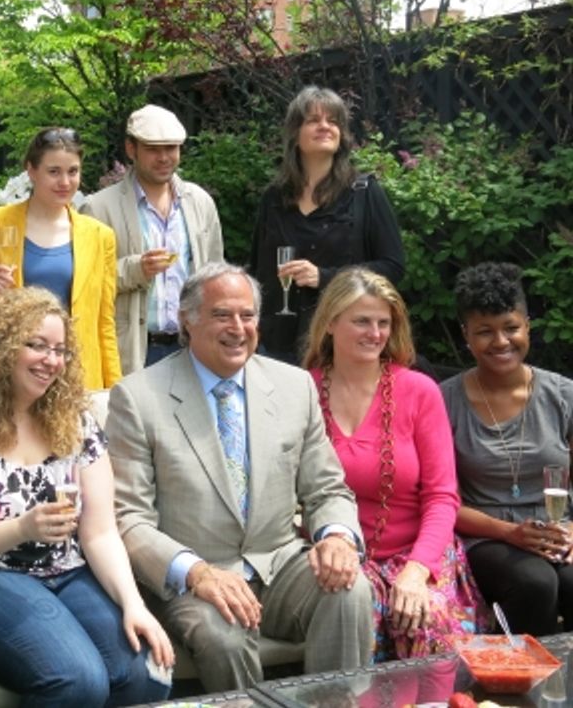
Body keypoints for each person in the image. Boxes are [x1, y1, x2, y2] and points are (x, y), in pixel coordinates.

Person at [106, 262, 373, 693]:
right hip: (195, 575)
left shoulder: (294, 386)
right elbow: (127, 519)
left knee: (349, 590)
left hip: (278, 563)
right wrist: (197, 572)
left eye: (247, 316)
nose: (238, 327)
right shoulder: (138, 398)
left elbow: (327, 488)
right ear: (186, 321)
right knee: (223, 636)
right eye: (222, 315)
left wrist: (338, 537)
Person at [0, 286, 174, 706]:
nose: (51, 360)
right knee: (76, 680)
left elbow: (101, 533)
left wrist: (133, 604)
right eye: (36, 345)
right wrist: (22, 528)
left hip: (66, 569)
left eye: (60, 350)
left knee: (147, 672)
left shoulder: (75, 423)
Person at [303, 268, 486, 661]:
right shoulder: (300, 390)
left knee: (426, 619)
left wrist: (418, 571)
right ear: (331, 322)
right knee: (354, 619)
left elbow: (442, 497)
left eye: (384, 323)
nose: (375, 333)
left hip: (418, 552)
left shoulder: (418, 391)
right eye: (362, 321)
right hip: (340, 554)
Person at [440, 262, 573, 636]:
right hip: (487, 535)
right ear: (466, 335)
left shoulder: (563, 396)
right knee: (536, 583)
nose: (501, 342)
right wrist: (510, 532)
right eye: (485, 332)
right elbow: (443, 499)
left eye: (511, 328)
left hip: (559, 530)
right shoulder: (444, 402)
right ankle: (524, 688)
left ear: (527, 325)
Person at [249, 86, 405, 364]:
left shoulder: (363, 192)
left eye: (333, 121)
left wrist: (325, 276)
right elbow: (257, 270)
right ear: (295, 134)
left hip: (340, 344)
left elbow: (392, 267)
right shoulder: (273, 198)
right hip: (277, 344)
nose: (324, 127)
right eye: (313, 120)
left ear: (342, 134)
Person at [0, 128, 122, 390]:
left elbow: (104, 323)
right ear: (31, 171)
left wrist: (114, 388)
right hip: (10, 372)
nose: (65, 182)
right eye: (54, 171)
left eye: (73, 171)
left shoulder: (100, 236)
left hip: (75, 375)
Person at [83, 105, 225, 373]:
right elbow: (85, 284)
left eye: (171, 148)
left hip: (192, 348)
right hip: (134, 351)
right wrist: (135, 269)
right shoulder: (99, 207)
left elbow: (215, 273)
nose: (164, 157)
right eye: (152, 149)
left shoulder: (200, 202)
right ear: (131, 149)